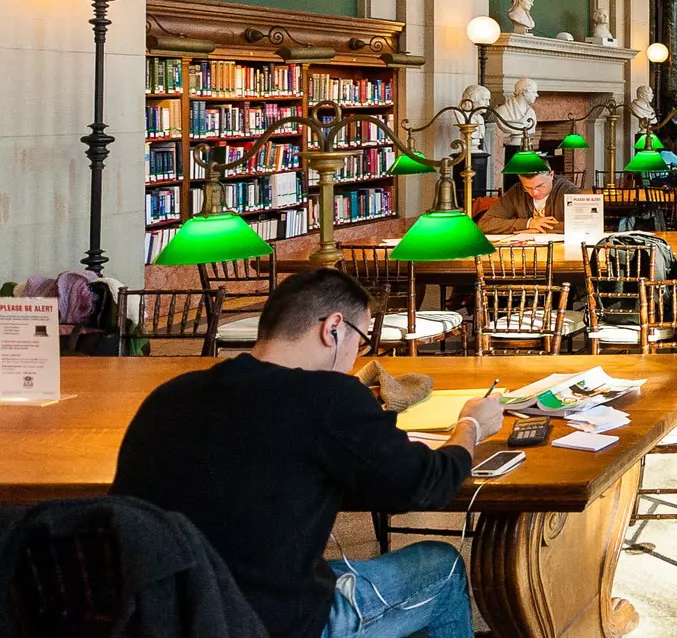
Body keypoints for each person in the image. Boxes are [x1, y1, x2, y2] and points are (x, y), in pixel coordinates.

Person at [112, 269, 502, 638]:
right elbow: (425, 485)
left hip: (157, 616)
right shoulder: (329, 398)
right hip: (272, 623)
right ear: (333, 328)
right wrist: (471, 426)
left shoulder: (171, 394)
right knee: (442, 566)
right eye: (360, 341)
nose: (356, 360)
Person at [478, 159, 569, 234]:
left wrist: (540, 229)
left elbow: (580, 226)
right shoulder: (517, 191)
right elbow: (484, 224)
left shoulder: (568, 191)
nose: (535, 193)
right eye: (528, 187)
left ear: (551, 175)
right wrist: (528, 223)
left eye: (540, 186)